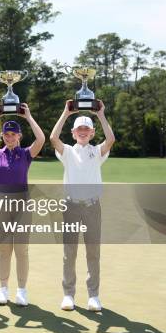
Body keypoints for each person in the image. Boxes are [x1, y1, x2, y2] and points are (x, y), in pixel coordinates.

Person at [49, 100, 115, 312]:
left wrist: (102, 114)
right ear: (73, 132)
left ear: (92, 132)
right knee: (70, 253)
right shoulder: (67, 151)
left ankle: (93, 296)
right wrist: (66, 112)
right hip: (71, 207)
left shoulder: (97, 152)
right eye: (79, 129)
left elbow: (111, 139)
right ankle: (68, 294)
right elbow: (52, 138)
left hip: (91, 207)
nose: (83, 132)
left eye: (86, 129)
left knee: (92, 252)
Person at [0, 104, 45, 306]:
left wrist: (30, 116)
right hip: (1, 204)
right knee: (4, 250)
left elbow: (41, 139)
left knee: (21, 250)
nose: (10, 137)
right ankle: (3, 289)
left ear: (19, 136)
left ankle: (22, 291)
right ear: (3, 136)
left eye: (13, 134)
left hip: (22, 204)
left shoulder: (26, 154)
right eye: (6, 134)